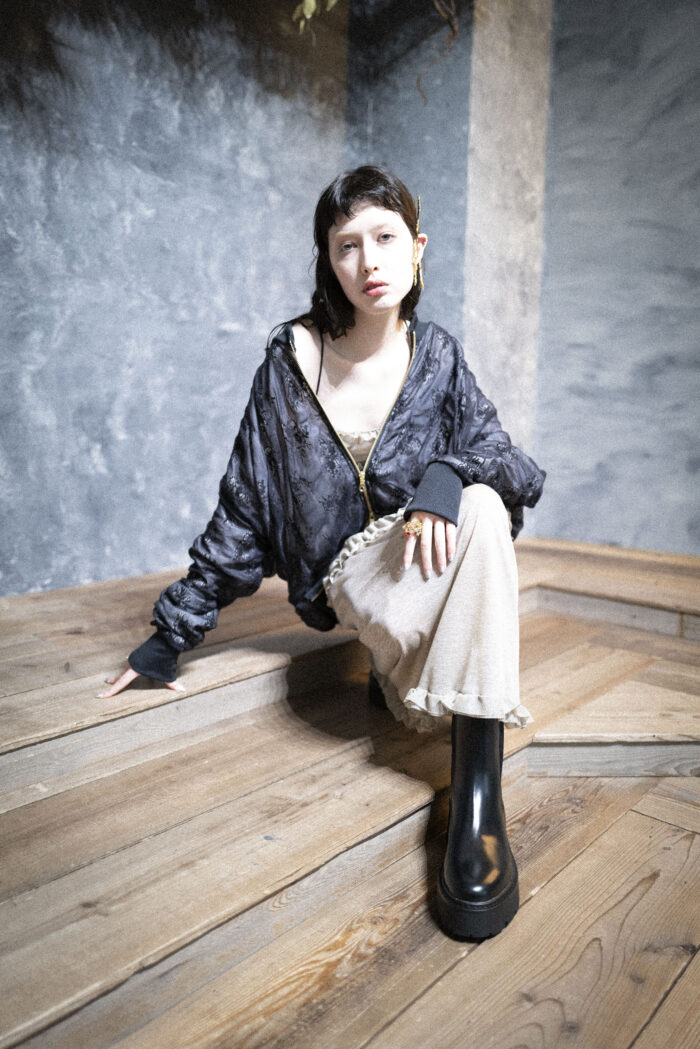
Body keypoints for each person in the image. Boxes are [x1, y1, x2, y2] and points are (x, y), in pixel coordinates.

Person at [99, 165, 545, 940]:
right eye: (347, 245)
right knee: (471, 522)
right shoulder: (293, 358)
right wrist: (173, 632)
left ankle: (478, 795)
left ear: (417, 249)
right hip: (350, 579)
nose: (369, 262)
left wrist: (446, 473)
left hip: (420, 569)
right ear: (328, 261)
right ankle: (419, 699)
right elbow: (245, 501)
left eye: (386, 238)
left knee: (477, 500)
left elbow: (511, 462)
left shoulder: (437, 355)